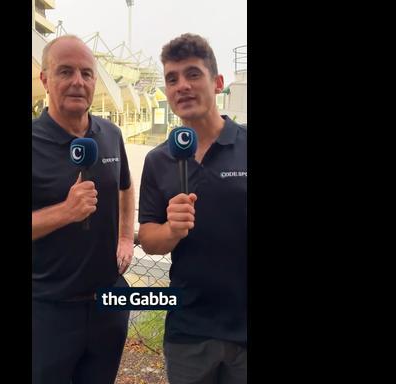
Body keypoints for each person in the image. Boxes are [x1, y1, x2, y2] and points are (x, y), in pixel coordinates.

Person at [138, 33, 247, 384]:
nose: (182, 86)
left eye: (192, 74)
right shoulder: (158, 160)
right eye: (172, 79)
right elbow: (149, 239)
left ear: (217, 83)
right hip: (189, 330)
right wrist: (171, 230)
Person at [32, 35, 135, 384]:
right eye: (65, 71)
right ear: (46, 79)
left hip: (109, 301)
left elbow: (125, 186)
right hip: (49, 309)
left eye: (87, 73)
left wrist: (125, 237)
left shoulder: (110, 133)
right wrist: (65, 211)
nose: (78, 81)